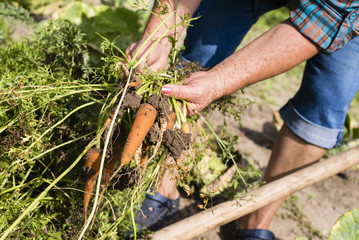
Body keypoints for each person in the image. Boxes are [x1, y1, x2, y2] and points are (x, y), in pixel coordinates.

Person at [126, 0, 359, 239]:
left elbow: (325, 19)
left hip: (339, 10)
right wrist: (159, 35)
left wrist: (220, 80)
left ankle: (254, 220)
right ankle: (165, 183)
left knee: (322, 111)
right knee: (197, 63)